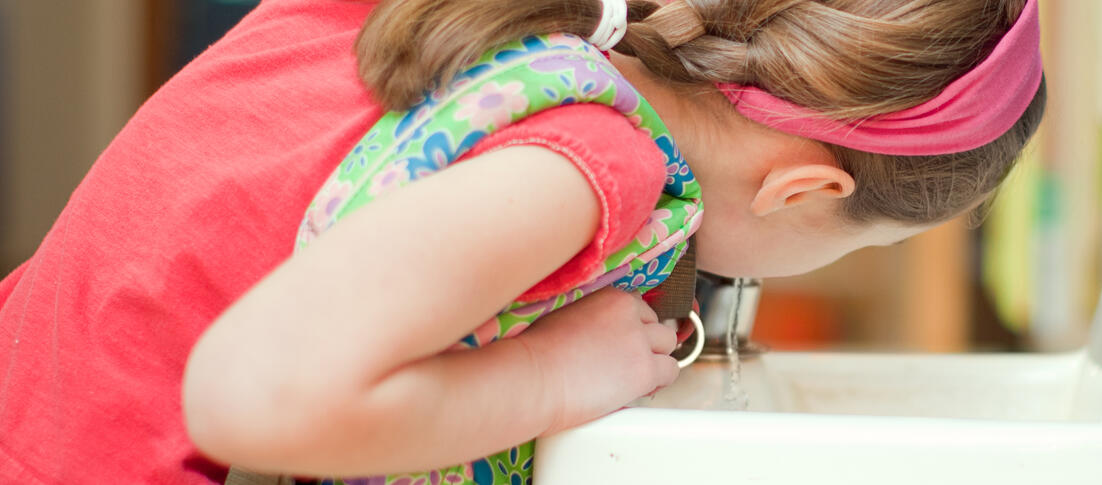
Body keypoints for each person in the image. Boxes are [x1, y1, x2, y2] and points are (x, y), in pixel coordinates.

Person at [0, 0, 1046, 482]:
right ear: (801, 187)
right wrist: (557, 371)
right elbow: (256, 394)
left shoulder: (519, 27)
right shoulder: (588, 164)